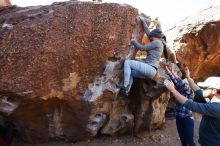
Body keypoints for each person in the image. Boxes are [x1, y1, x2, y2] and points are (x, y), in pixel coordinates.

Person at [164, 68, 220, 146]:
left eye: (205, 88)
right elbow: (199, 92)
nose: (202, 89)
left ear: (214, 91)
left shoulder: (216, 108)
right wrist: (188, 76)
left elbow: (191, 105)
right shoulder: (214, 101)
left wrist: (173, 90)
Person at [116, 16, 164, 95]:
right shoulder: (157, 40)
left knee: (128, 63)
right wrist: (143, 21)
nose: (149, 36)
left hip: (150, 68)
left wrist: (133, 41)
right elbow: (148, 32)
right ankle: (126, 91)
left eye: (151, 36)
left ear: (155, 36)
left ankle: (125, 85)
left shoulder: (157, 42)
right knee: (130, 73)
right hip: (151, 71)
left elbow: (142, 48)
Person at [163, 63, 195, 146]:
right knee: (183, 141)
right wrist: (168, 69)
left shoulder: (190, 91)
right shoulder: (181, 88)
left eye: (187, 82)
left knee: (190, 142)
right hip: (179, 118)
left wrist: (173, 72)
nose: (185, 83)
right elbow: (176, 81)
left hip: (187, 119)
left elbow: (180, 83)